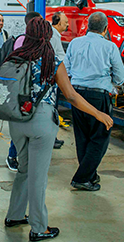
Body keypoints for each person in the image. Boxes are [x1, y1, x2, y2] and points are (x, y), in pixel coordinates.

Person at [4, 17, 113, 241]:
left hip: (15, 120)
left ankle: (14, 215)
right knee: (38, 177)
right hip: (40, 121)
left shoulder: (15, 57)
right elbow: (71, 96)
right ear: (47, 36)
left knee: (24, 170)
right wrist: (98, 113)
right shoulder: (50, 60)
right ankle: (38, 227)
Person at [63, 12, 124, 191]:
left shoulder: (74, 43)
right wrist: (115, 83)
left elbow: (66, 69)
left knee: (82, 137)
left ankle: (90, 174)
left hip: (76, 96)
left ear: (87, 25)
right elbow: (121, 75)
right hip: (99, 97)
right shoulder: (110, 46)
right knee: (99, 138)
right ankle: (82, 178)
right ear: (106, 29)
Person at [5, 11, 42, 171]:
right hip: (20, 92)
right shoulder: (22, 41)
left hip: (31, 91)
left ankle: (23, 156)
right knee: (20, 124)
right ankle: (12, 155)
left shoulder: (38, 42)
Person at [50, 12, 69, 150]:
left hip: (53, 79)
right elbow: (59, 57)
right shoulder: (53, 36)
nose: (68, 24)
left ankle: (52, 137)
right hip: (52, 80)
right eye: (65, 22)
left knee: (53, 110)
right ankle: (51, 138)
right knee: (52, 110)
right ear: (58, 22)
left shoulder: (55, 35)